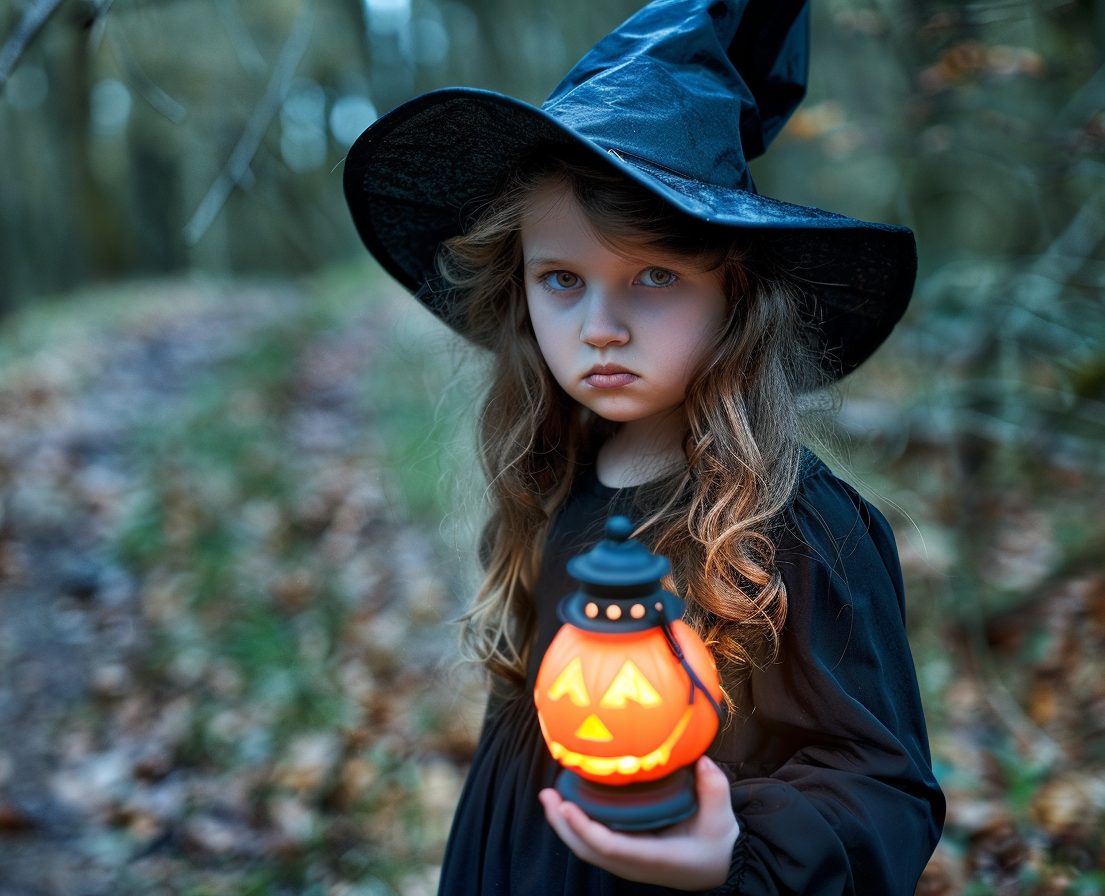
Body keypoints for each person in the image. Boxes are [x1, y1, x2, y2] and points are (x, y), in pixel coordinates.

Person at [343, 0, 945, 892]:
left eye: (654, 276)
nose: (600, 328)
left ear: (736, 294)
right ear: (521, 291)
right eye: (562, 280)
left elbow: (880, 785)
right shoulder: (551, 478)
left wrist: (731, 855)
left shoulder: (802, 528)